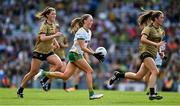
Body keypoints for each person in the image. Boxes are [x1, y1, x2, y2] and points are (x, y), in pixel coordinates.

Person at [36, 14, 104, 100]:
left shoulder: (89, 32)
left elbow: (87, 46)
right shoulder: (81, 32)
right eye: (90, 20)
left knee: (65, 76)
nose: (92, 22)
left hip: (76, 55)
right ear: (84, 21)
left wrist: (95, 54)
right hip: (75, 54)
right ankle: (91, 94)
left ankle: (44, 73)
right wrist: (94, 54)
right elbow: (83, 47)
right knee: (89, 71)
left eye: (92, 20)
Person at [109, 10, 166, 100]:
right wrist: (156, 45)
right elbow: (143, 39)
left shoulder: (160, 30)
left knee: (138, 76)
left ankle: (118, 75)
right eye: (161, 17)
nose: (163, 19)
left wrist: (160, 52)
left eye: (163, 17)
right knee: (155, 71)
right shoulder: (148, 28)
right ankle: (152, 94)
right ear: (155, 19)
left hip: (153, 54)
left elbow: (158, 43)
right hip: (145, 53)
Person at [17, 6, 63, 98]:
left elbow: (51, 36)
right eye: (52, 14)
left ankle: (44, 80)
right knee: (33, 72)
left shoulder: (53, 24)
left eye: (55, 13)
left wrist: (56, 42)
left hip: (49, 51)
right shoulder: (44, 25)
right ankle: (20, 89)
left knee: (59, 64)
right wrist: (55, 35)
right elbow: (42, 38)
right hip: (39, 52)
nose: (55, 15)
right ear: (47, 15)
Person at [34, 23, 69, 91]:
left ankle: (64, 87)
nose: (56, 29)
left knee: (64, 72)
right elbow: (47, 46)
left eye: (57, 28)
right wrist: (54, 47)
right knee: (52, 72)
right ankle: (48, 87)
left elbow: (67, 45)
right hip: (53, 56)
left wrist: (63, 45)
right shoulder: (51, 37)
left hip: (62, 56)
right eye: (55, 28)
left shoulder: (62, 36)